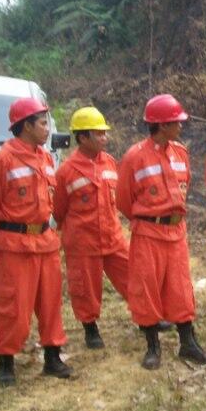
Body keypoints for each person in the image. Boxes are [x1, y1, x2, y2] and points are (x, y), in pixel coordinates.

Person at [117, 94, 206, 370]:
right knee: (146, 287)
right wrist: (149, 217)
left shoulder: (180, 153)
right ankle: (153, 346)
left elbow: (184, 189)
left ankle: (188, 343)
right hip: (148, 232)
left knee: (180, 288)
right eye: (176, 122)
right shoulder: (134, 157)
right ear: (161, 125)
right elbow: (123, 199)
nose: (181, 127)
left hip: (176, 231)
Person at [0, 98, 71, 385]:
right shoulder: (0, 162)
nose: (47, 129)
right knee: (13, 307)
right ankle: (6, 361)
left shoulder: (45, 158)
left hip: (45, 242)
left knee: (50, 303)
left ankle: (53, 356)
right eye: (42, 123)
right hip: (14, 245)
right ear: (26, 126)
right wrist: (10, 232)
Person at [53, 106, 130, 350]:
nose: (104, 138)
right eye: (99, 134)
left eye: (104, 133)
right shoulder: (67, 171)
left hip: (112, 235)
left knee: (132, 275)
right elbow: (59, 209)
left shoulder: (109, 163)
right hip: (82, 239)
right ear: (83, 137)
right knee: (85, 286)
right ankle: (90, 328)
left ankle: (146, 316)